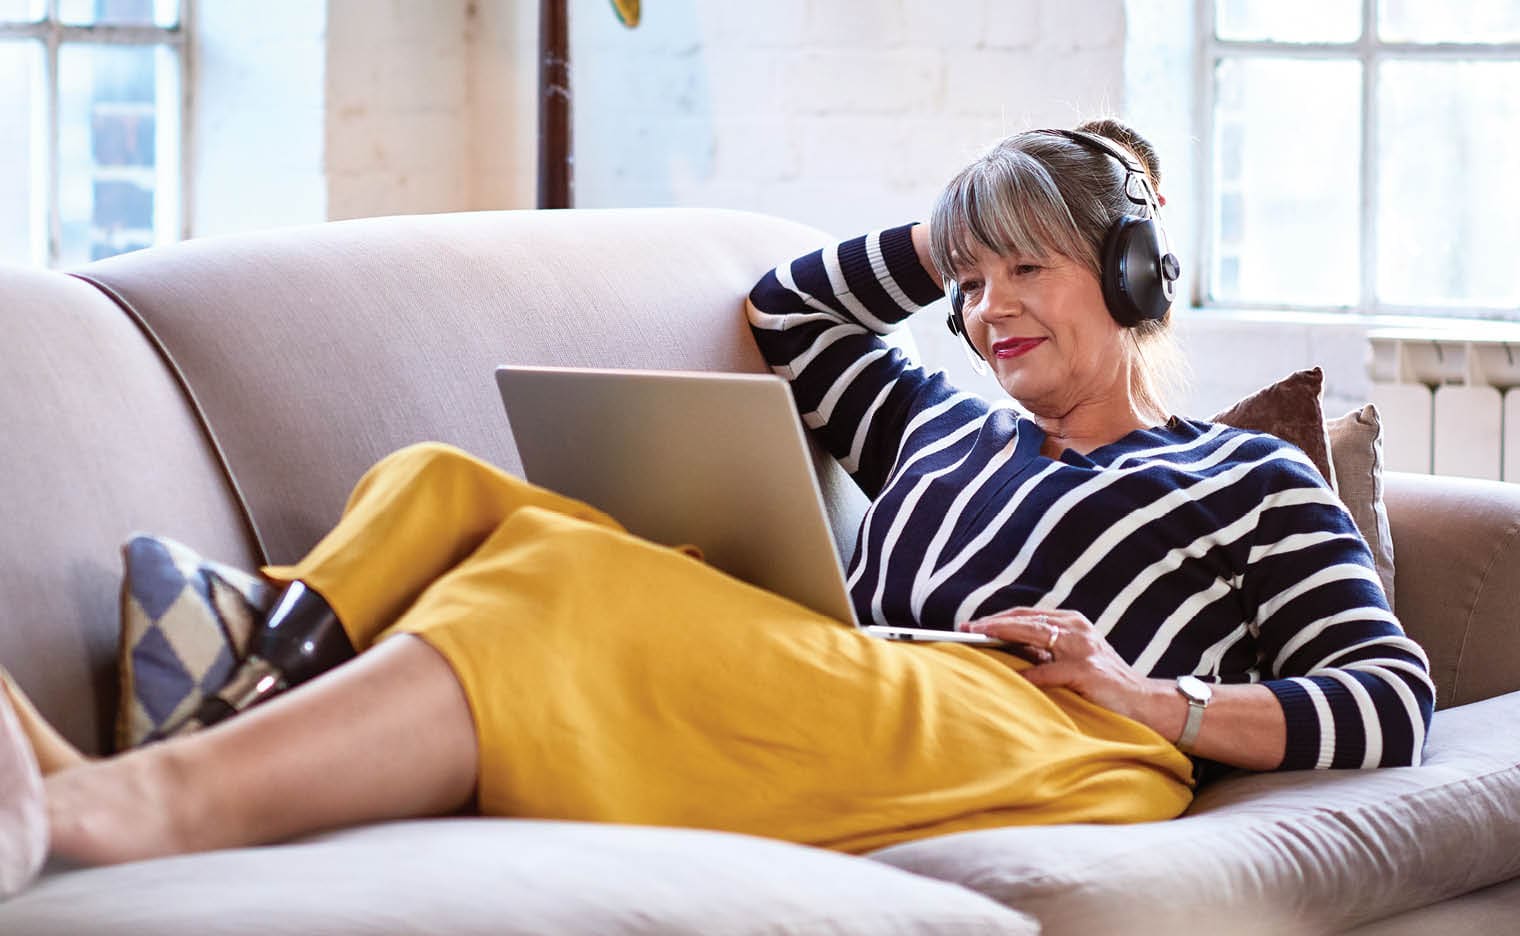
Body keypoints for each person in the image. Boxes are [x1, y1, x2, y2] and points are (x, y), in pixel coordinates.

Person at [0, 119, 1434, 899]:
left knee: (555, 593)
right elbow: (790, 311)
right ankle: (223, 708)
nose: (986, 312)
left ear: (1129, 285)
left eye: (1030, 274)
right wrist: (954, 222)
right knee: (449, 489)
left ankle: (130, 800)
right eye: (970, 281)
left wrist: (1151, 698)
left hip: (1053, 729)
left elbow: (1388, 699)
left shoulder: (1243, 479)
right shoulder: (933, 423)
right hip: (867, 682)